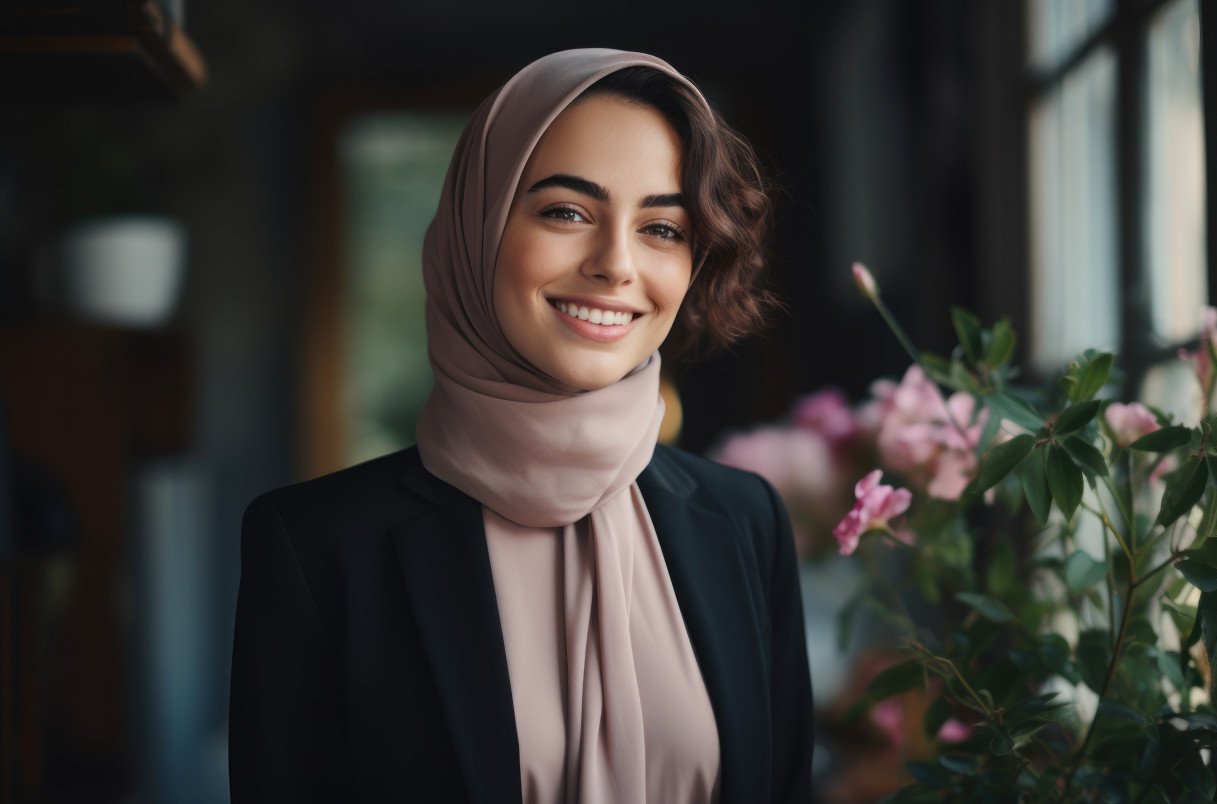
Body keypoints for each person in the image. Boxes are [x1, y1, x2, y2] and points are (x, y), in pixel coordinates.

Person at [228, 48, 813, 804]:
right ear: (478, 230)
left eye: (662, 228)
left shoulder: (744, 521)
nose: (616, 264)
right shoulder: (313, 548)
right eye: (567, 212)